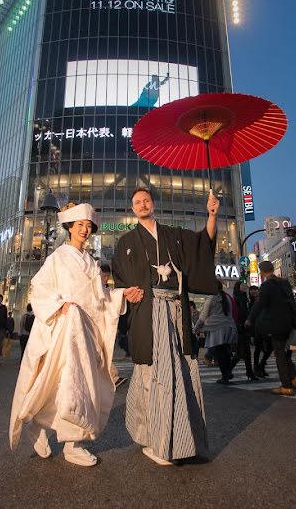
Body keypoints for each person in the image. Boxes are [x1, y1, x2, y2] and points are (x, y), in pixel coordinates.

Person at [10, 203, 132, 467]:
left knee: (78, 386)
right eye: (80, 226)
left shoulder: (91, 262)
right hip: (64, 327)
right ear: (69, 228)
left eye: (88, 226)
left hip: (86, 332)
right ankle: (62, 438)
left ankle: (52, 433)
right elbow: (39, 287)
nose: (85, 230)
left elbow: (100, 299)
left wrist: (122, 294)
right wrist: (60, 305)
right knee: (63, 383)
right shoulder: (58, 258)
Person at [112, 187, 219, 465]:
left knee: (181, 373)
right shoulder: (126, 241)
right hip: (148, 313)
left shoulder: (173, 234)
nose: (143, 204)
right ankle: (155, 440)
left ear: (153, 204)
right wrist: (125, 293)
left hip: (175, 310)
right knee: (152, 377)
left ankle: (182, 440)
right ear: (132, 208)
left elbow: (202, 245)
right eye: (137, 202)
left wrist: (211, 215)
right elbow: (120, 281)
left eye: (146, 200)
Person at [247, 262, 296, 396]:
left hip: (276, 323)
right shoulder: (284, 283)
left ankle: (286, 385)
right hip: (289, 322)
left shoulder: (266, 285)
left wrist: (250, 319)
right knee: (283, 350)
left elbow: (261, 304)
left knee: (279, 353)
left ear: (262, 271)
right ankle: (294, 377)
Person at [195, 283, 237, 384]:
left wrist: (196, 328)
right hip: (229, 327)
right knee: (226, 352)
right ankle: (227, 373)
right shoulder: (227, 297)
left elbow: (203, 316)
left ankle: (225, 375)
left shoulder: (211, 299)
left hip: (216, 328)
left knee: (220, 353)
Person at [230, 281, 257, 380]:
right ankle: (228, 372)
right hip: (239, 327)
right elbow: (235, 314)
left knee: (245, 352)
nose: (245, 287)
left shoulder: (245, 299)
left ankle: (249, 373)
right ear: (238, 287)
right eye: (242, 285)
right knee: (241, 352)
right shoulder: (236, 299)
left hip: (245, 327)